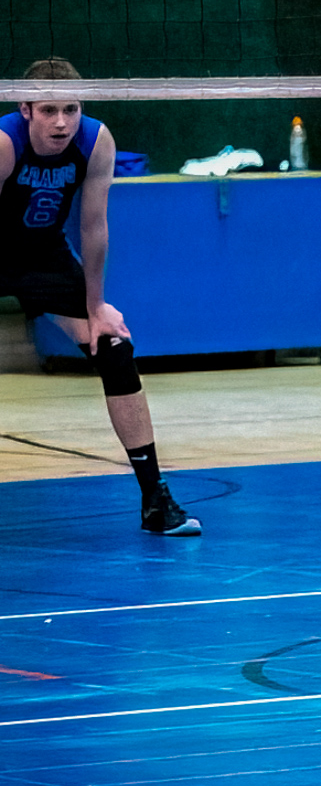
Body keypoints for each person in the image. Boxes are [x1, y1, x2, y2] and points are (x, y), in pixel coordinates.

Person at [0, 58, 199, 537]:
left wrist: (94, 309)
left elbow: (92, 227)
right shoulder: (5, 144)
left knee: (113, 347)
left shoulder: (95, 141)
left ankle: (155, 499)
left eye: (70, 108)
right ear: (25, 108)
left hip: (44, 257)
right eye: (49, 110)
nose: (62, 122)